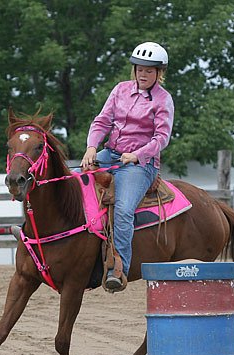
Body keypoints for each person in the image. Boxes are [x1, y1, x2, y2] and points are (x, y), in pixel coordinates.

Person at [81, 41, 174, 292]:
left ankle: (118, 268)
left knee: (123, 209)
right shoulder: (120, 90)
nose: (143, 74)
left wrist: (137, 155)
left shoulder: (163, 100)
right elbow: (102, 121)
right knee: (75, 182)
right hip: (110, 154)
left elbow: (161, 138)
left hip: (141, 164)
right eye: (139, 69)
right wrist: (91, 147)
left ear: (159, 73)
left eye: (149, 71)